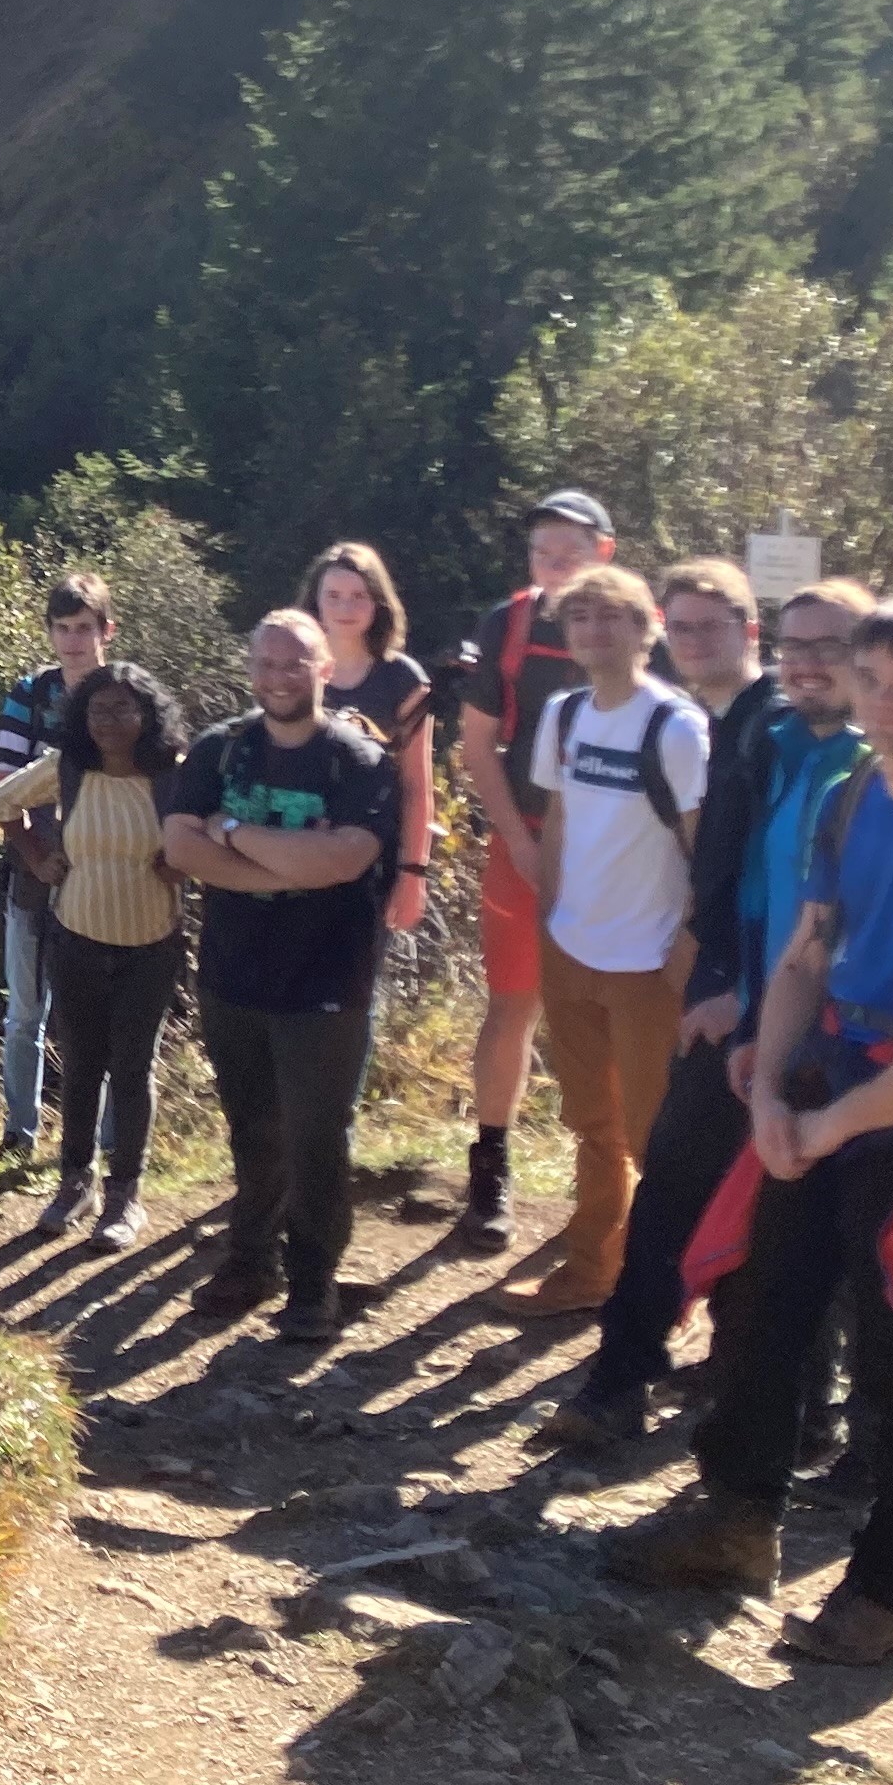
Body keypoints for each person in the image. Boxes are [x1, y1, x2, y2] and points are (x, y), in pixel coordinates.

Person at [610, 596, 893, 1666]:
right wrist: (771, 1092)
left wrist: (821, 1124)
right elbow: (806, 955)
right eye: (871, 682)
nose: (885, 703)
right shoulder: (851, 794)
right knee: (766, 1313)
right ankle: (734, 1523)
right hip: (823, 1093)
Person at [546, 576, 873, 1452]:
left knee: (800, 1230)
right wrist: (720, 980)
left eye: (829, 648)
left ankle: (798, 1418)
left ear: (870, 656)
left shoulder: (881, 762)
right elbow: (720, 875)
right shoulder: (764, 735)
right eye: (795, 648)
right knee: (673, 1191)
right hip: (739, 1016)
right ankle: (619, 1380)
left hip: (839, 1038)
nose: (806, 666)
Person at [164, 611, 400, 1344]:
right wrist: (289, 856)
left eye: (295, 663)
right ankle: (250, 1260)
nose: (277, 678)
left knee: (317, 1137)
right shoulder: (220, 750)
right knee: (253, 1130)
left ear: (325, 669)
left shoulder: (358, 762)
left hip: (327, 979)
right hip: (233, 976)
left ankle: (314, 1285)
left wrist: (230, 833)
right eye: (265, 663)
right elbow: (178, 847)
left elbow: (345, 862)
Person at [492, 564, 710, 1320]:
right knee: (591, 1124)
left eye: (609, 617)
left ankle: (670, 1292)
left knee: (655, 1137)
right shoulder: (564, 715)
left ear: (646, 627)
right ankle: (590, 1272)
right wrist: (551, 920)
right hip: (572, 947)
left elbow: (702, 845)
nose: (592, 631)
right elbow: (557, 822)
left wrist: (690, 938)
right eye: (579, 618)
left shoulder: (675, 727)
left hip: (647, 960)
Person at [452, 488, 626, 1250]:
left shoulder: (632, 621)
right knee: (513, 1004)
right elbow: (477, 744)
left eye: (569, 553)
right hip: (520, 840)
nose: (554, 567)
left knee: (611, 1013)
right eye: (541, 553)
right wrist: (518, 844)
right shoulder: (510, 624)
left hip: (614, 854)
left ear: (604, 554)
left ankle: (610, 1184)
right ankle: (489, 1170)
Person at [0, 662, 189, 1246]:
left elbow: (208, 829)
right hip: (76, 938)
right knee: (80, 1067)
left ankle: (125, 1197)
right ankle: (76, 1184)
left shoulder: (173, 775)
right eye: (98, 709)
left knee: (132, 1069)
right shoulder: (68, 768)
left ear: (148, 715)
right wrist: (34, 855)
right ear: (82, 716)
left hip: (151, 945)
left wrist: (181, 862)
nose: (110, 721)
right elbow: (2, 803)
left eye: (124, 708)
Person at [0, 573, 121, 1161]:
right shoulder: (30, 694)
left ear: (106, 631)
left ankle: (112, 1141)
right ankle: (19, 1133)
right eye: (62, 629)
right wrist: (38, 859)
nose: (72, 642)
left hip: (114, 881)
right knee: (24, 1013)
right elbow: (1, 788)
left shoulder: (126, 695)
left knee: (108, 1017)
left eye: (83, 629)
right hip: (37, 877)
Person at [301, 543, 435, 942]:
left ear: (378, 603)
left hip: (371, 860)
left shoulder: (403, 680)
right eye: (334, 596)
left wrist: (414, 874)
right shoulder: (293, 667)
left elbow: (416, 786)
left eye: (358, 596)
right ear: (315, 603)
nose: (346, 607)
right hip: (292, 844)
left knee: (355, 989)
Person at [660, 557, 764, 722]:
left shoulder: (777, 724)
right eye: (680, 628)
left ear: (750, 632)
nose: (694, 639)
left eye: (710, 626)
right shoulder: (680, 719)